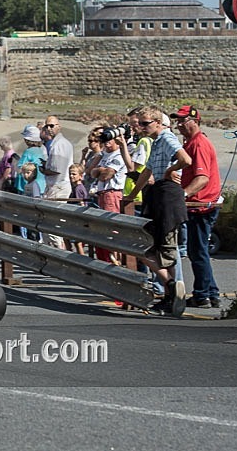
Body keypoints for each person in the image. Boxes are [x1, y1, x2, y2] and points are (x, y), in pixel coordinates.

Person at [125, 105, 192, 317]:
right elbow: (147, 171)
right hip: (157, 197)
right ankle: (170, 286)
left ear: (157, 123)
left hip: (168, 198)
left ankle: (171, 292)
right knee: (148, 246)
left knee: (166, 248)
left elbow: (186, 160)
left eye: (145, 124)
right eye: (140, 124)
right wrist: (132, 193)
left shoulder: (166, 138)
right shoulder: (155, 142)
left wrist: (170, 170)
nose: (142, 128)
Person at [172, 105, 222, 309]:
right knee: (198, 251)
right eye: (178, 121)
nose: (179, 125)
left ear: (194, 121)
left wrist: (182, 195)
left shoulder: (199, 144)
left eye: (182, 121)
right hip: (199, 204)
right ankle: (210, 292)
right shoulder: (193, 142)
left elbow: (202, 178)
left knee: (198, 251)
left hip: (201, 206)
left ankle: (203, 294)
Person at [89, 130, 127, 263]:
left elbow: (107, 175)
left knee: (111, 228)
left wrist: (100, 171)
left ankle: (115, 258)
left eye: (110, 139)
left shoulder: (119, 155)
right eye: (105, 140)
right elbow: (91, 172)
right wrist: (99, 170)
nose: (107, 143)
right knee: (102, 229)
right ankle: (106, 258)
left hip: (112, 193)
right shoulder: (104, 155)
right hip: (102, 193)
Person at [40, 116, 74, 250]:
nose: (49, 128)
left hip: (58, 185)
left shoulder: (60, 144)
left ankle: (59, 253)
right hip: (56, 185)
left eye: (52, 126)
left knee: (52, 225)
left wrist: (44, 169)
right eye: (47, 126)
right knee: (49, 225)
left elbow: (56, 169)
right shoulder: (56, 143)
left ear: (59, 126)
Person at [12, 125, 47, 195]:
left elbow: (20, 168)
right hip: (41, 184)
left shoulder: (28, 152)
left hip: (28, 186)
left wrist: (15, 162)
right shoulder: (40, 150)